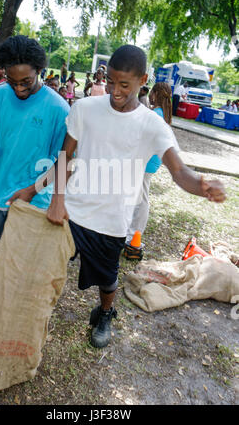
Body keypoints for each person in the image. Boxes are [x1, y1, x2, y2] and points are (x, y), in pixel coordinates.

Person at [45, 45, 226, 350]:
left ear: (143, 80)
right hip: (72, 211)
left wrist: (203, 185)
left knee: (107, 280)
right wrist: (57, 199)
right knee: (48, 265)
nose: (115, 91)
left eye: (124, 85)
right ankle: (38, 314)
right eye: (111, 82)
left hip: (111, 221)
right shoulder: (85, 108)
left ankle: (104, 313)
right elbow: (65, 155)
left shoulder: (153, 125)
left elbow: (180, 172)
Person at [0, 35, 70, 239]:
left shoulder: (59, 109)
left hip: (35, 203)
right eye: (13, 82)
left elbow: (64, 162)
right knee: (7, 259)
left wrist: (31, 191)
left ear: (39, 70)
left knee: (23, 266)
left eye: (26, 82)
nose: (19, 89)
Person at [124, 82, 172, 259]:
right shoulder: (162, 113)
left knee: (142, 198)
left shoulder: (156, 114)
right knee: (138, 196)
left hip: (146, 160)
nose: (150, 95)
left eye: (152, 92)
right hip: (150, 160)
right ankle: (131, 232)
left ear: (157, 94)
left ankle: (133, 235)